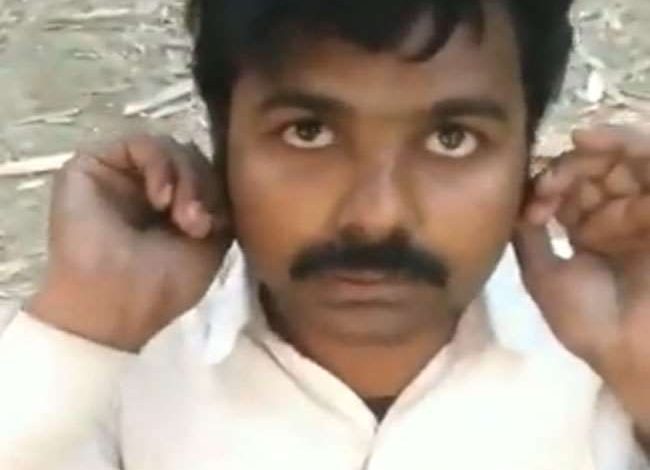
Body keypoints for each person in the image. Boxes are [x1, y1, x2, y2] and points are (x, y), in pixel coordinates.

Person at [1, 0, 650, 468]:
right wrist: (81, 329)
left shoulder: (610, 363)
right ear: (221, 141)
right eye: (308, 132)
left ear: (529, 154)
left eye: (451, 139)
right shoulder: (120, 374)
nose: (377, 215)